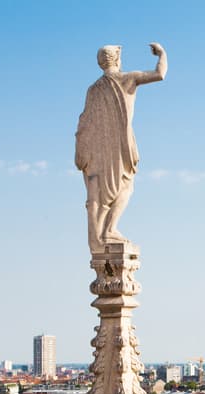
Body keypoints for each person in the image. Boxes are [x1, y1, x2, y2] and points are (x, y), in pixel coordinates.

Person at [75, 43, 168, 253]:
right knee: (126, 187)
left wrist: (82, 152)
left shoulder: (93, 89)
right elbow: (159, 73)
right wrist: (162, 53)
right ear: (117, 59)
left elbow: (84, 121)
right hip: (120, 146)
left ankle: (104, 233)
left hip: (100, 148)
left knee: (100, 196)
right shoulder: (127, 78)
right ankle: (109, 229)